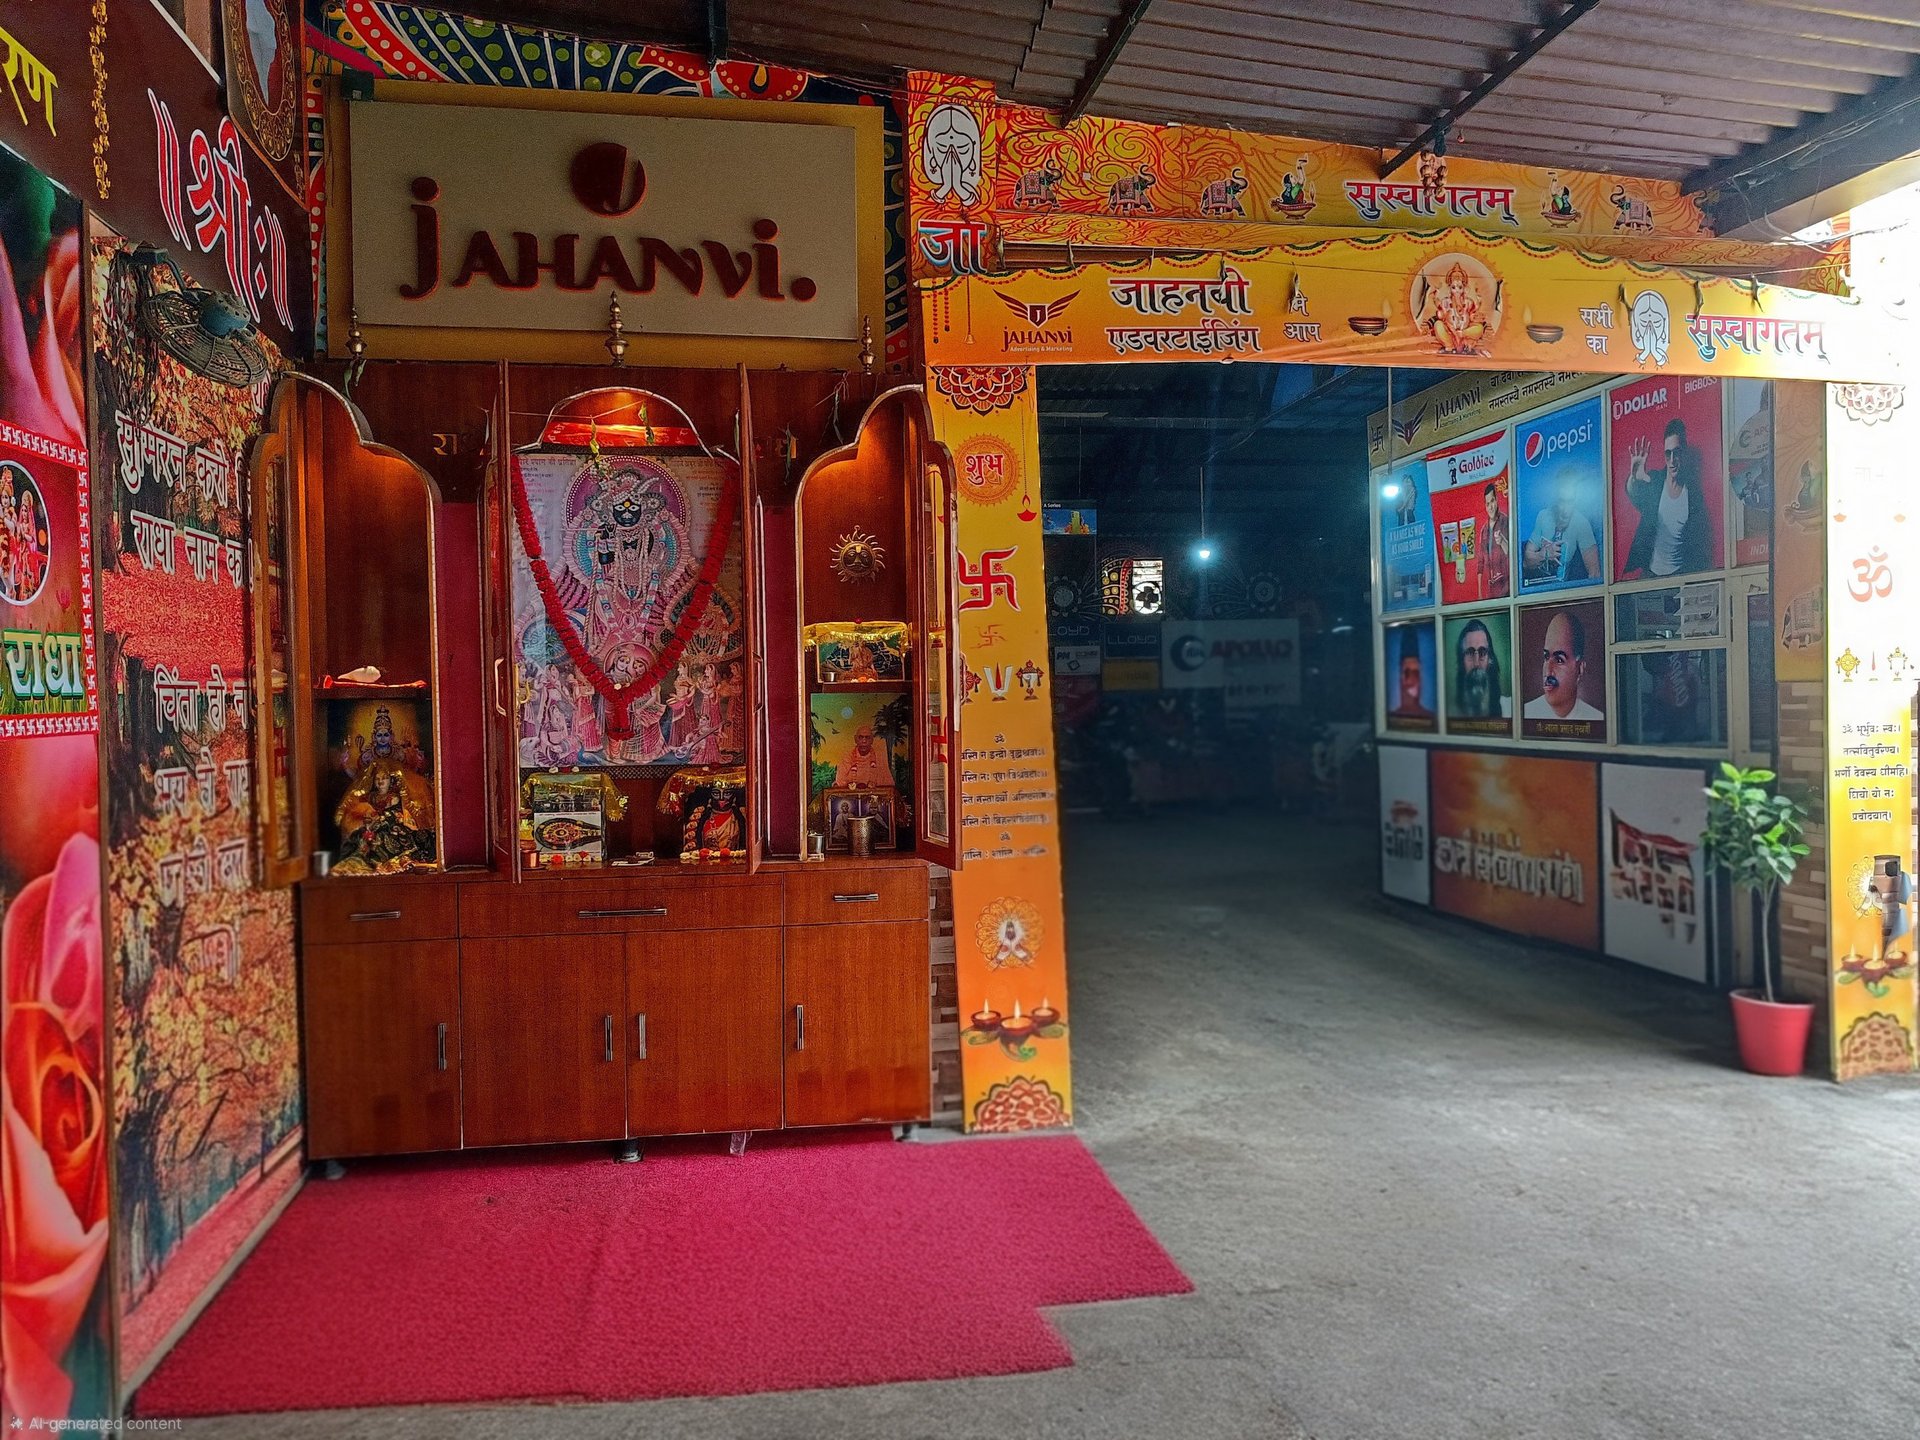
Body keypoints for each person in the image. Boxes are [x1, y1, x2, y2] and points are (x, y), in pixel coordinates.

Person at [1623, 418, 1711, 578]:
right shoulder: (1655, 481)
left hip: (1679, 577)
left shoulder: (1694, 496)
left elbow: (1699, 545)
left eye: (1676, 453)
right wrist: (1634, 477)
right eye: (1667, 454)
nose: (1672, 461)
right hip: (1649, 574)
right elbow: (1634, 494)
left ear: (1683, 453)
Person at [1523, 610, 1603, 722]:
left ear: (1579, 670)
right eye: (1546, 657)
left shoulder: (1596, 719)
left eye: (1559, 660)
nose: (1548, 672)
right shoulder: (1526, 714)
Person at [1524, 474, 1601, 584]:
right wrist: (1543, 555)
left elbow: (1595, 573)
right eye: (1562, 501)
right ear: (1555, 500)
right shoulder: (1543, 516)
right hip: (1538, 589)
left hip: (1564, 591)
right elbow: (1526, 563)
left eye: (1570, 502)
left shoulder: (1581, 523)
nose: (1565, 511)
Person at [1451, 618, 1510, 719]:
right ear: (1461, 661)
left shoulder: (1510, 709)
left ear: (1490, 660)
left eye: (1482, 652)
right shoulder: (1450, 713)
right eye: (1470, 652)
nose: (1477, 663)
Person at [1387, 628, 1431, 721]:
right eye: (1407, 673)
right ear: (1399, 677)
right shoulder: (1391, 719)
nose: (1411, 681)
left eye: (1416, 673)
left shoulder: (1431, 719)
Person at [1478, 482, 1510, 598]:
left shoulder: (1506, 522)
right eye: (1487, 504)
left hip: (1507, 589)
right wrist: (1480, 595)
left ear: (1496, 500)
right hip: (1491, 592)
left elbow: (1512, 555)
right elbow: (1480, 563)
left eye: (1492, 501)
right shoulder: (1484, 530)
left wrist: (1502, 542)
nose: (1490, 507)